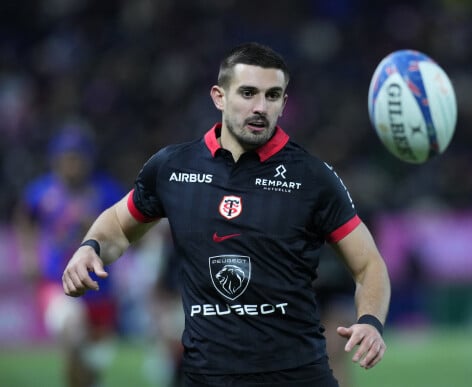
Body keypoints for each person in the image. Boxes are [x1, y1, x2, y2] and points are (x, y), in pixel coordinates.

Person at [61, 42, 391, 387]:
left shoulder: (313, 178)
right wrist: (90, 248)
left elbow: (369, 265)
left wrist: (370, 321)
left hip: (297, 376)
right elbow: (117, 225)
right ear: (219, 96)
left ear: (284, 103)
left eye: (272, 95)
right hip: (206, 377)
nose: (260, 107)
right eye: (248, 93)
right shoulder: (172, 168)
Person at [15, 122, 125, 387]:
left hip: (100, 288)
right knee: (72, 331)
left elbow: (127, 225)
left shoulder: (106, 190)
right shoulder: (42, 191)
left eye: (76, 158)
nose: (71, 164)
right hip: (57, 282)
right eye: (66, 158)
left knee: (92, 365)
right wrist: (28, 254)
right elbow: (24, 217)